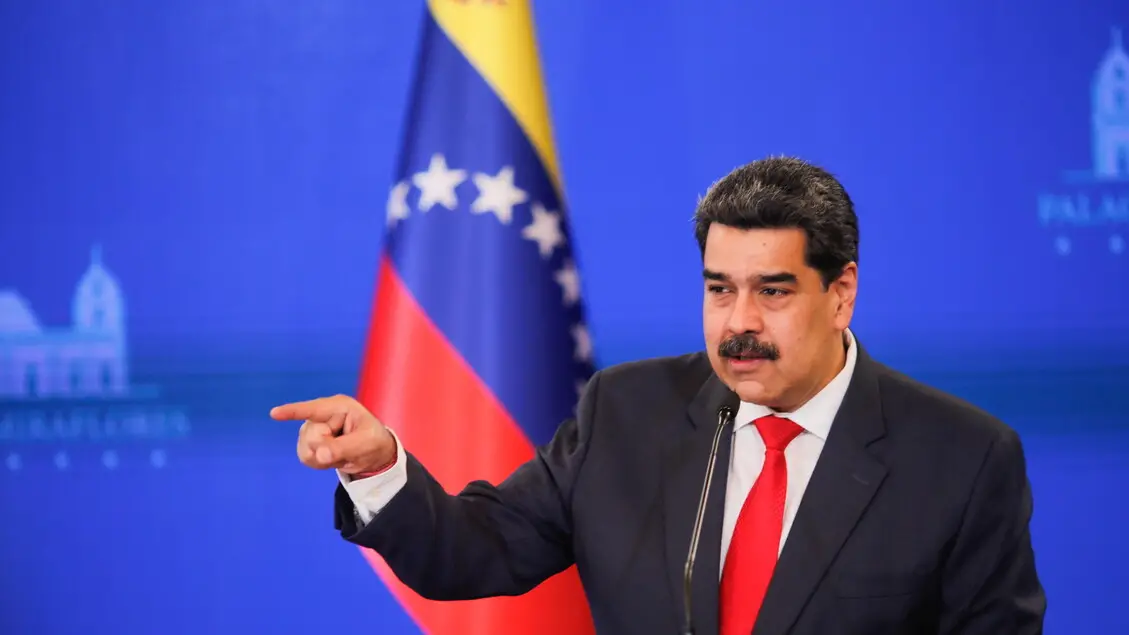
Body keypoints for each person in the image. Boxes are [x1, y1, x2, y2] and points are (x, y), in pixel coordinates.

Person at [271, 156, 1046, 634]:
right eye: (719, 288)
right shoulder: (626, 411)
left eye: (773, 291)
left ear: (840, 293)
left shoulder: (961, 458)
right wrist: (378, 467)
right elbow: (473, 552)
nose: (738, 323)